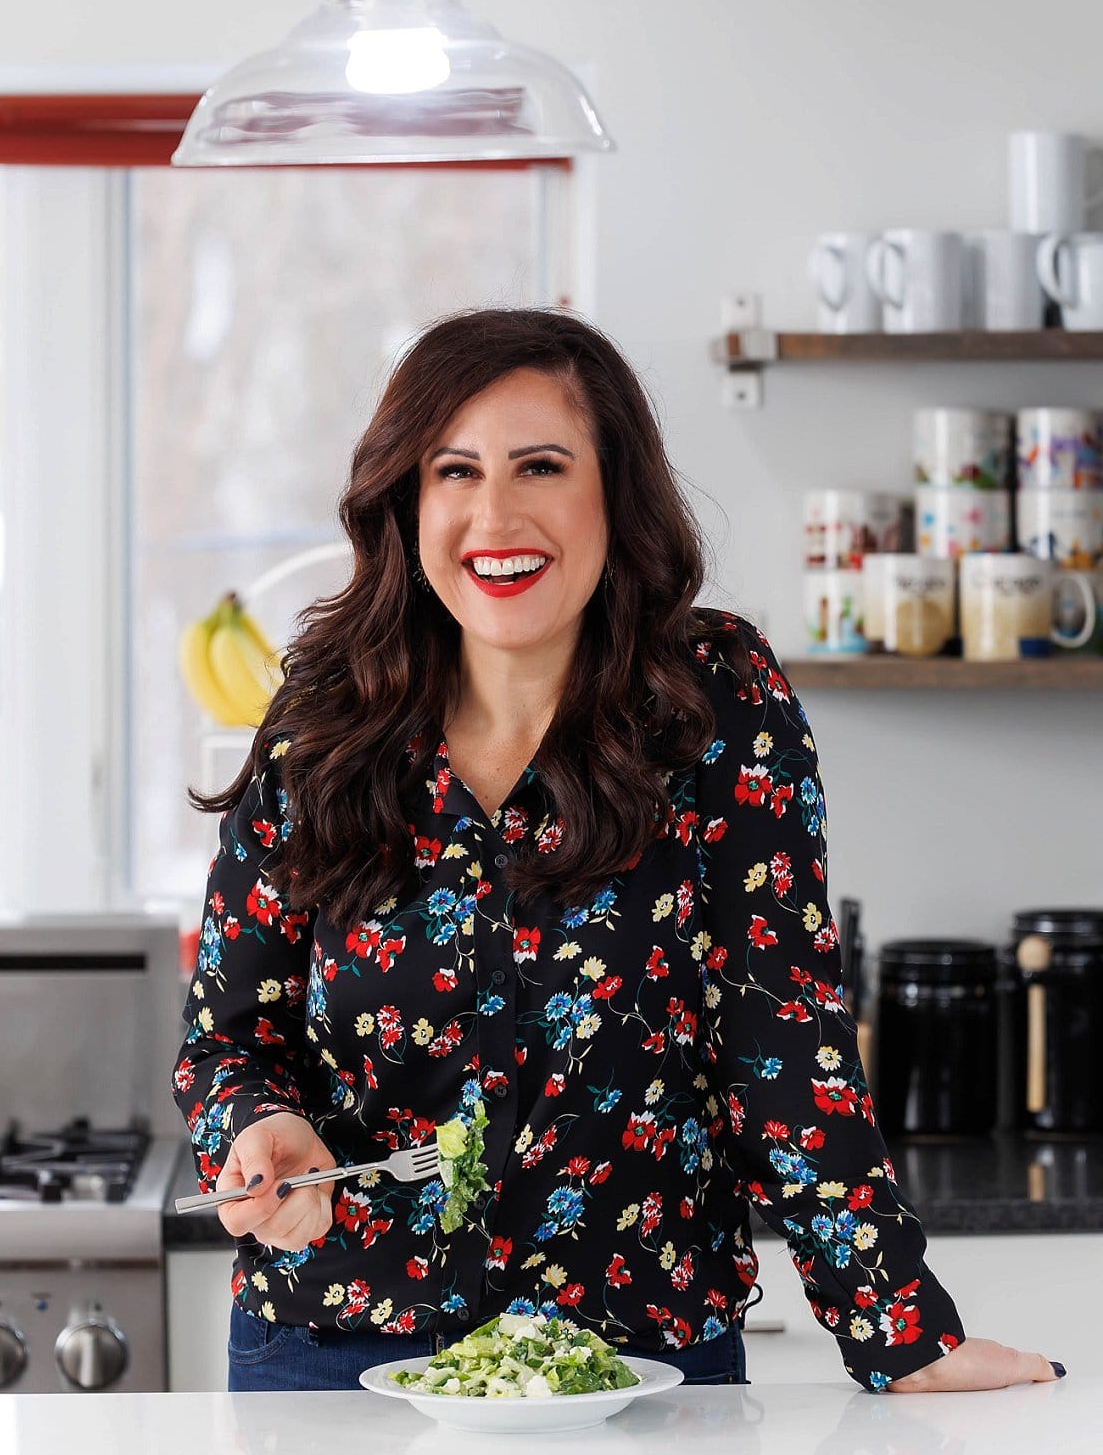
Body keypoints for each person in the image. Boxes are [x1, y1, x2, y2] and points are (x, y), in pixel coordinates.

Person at [172, 306, 1064, 1396]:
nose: (494, 515)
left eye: (539, 466)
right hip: (334, 1351)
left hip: (638, 1368)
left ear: (613, 490)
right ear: (408, 503)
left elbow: (779, 1039)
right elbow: (230, 1034)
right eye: (454, 472)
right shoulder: (324, 723)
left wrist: (899, 1331)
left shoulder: (715, 702)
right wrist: (261, 1127)